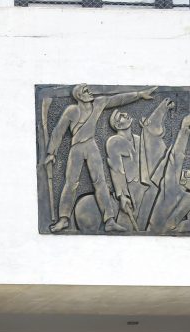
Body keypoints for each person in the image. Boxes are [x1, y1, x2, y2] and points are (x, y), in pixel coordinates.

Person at [44, 84, 155, 234]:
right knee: (71, 183)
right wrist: (51, 153)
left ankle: (109, 220)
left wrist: (139, 94)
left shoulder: (98, 103)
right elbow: (58, 131)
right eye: (86, 91)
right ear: (79, 96)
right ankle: (64, 219)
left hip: (91, 146)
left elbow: (118, 99)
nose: (90, 92)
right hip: (76, 148)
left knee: (100, 183)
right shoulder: (71, 111)